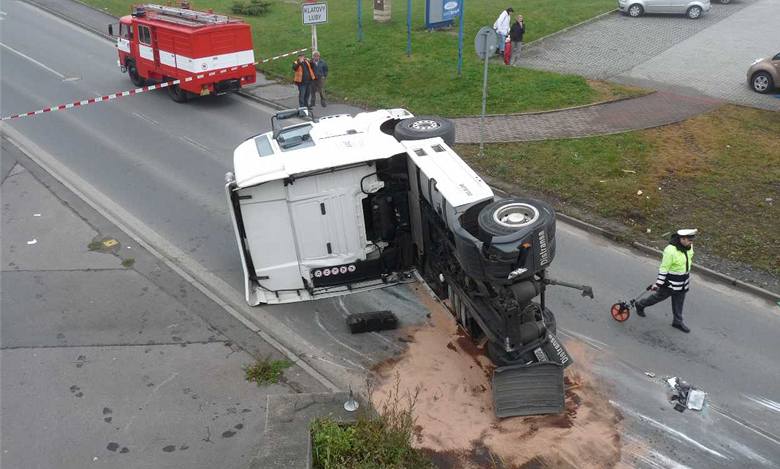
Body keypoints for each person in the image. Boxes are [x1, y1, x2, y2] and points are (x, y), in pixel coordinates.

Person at [635, 229, 697, 333]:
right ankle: (640, 305)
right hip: (670, 284)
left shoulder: (689, 247)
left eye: (692, 240)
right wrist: (659, 283)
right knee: (657, 297)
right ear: (682, 239)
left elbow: (687, 262)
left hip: (682, 282)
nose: (692, 242)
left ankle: (677, 321)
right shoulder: (670, 250)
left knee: (679, 302)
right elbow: (664, 268)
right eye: (689, 240)